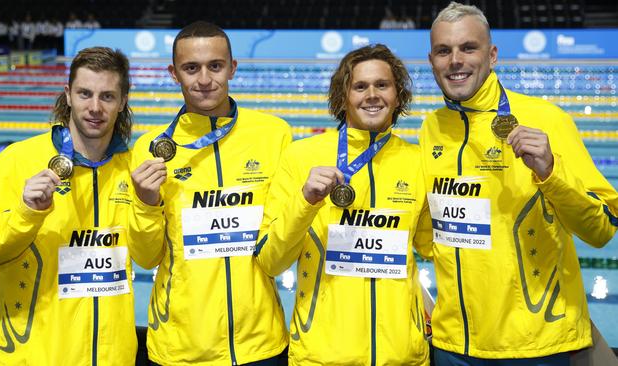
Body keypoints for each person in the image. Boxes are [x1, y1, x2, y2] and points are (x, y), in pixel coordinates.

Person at [419, 2, 618, 365]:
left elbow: (602, 229)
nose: (455, 60)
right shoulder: (432, 129)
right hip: (453, 345)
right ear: (431, 60)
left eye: (468, 48)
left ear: (492, 54)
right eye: (444, 51)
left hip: (534, 345)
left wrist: (550, 171)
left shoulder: (546, 120)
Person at [255, 44, 430, 365]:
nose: (372, 94)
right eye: (360, 86)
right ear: (343, 95)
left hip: (402, 356)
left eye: (382, 85)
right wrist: (305, 201)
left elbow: (435, 249)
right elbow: (270, 261)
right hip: (323, 355)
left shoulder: (417, 161)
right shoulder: (301, 158)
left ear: (398, 93)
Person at [129, 21, 291, 365]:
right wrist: (145, 202)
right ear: (174, 74)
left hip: (261, 345)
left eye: (215, 66)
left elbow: (283, 242)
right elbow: (145, 258)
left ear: (232, 67)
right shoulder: (150, 149)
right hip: (182, 347)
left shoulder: (274, 135)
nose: (204, 79)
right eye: (191, 68)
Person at [0, 47, 137, 365]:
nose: (95, 107)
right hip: (34, 354)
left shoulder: (133, 170)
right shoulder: (17, 160)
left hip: (113, 357)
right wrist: (25, 212)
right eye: (85, 93)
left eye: (107, 96)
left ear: (123, 101)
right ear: (68, 95)